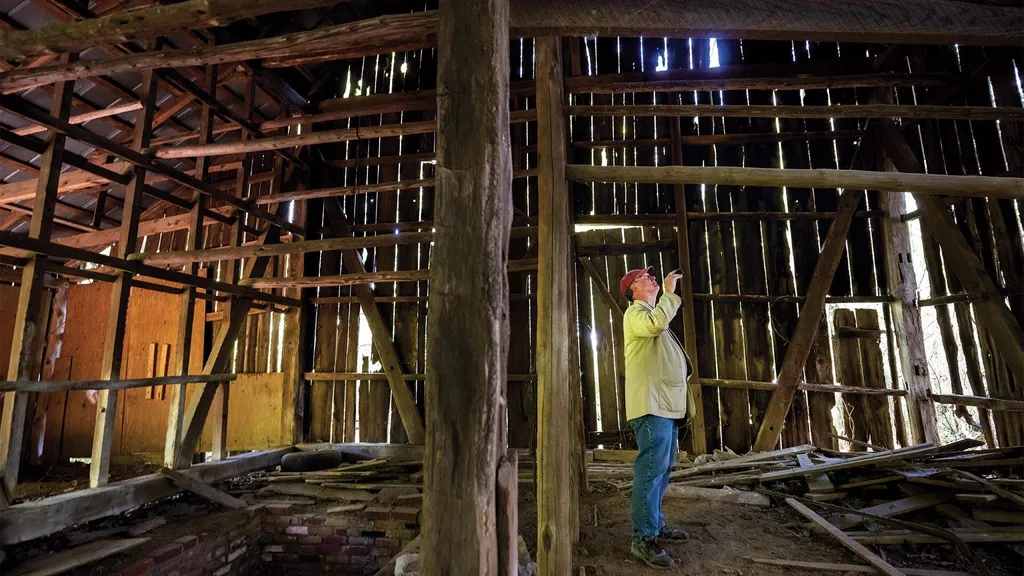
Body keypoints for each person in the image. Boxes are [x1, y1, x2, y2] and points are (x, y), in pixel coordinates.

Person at [619, 266, 696, 569]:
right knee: (651, 470)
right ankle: (643, 538)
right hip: (651, 407)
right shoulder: (636, 314)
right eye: (644, 277)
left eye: (651, 275)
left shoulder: (653, 314)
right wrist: (669, 294)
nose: (652, 277)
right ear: (633, 290)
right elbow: (656, 325)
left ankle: (655, 523)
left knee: (663, 469)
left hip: (663, 405)